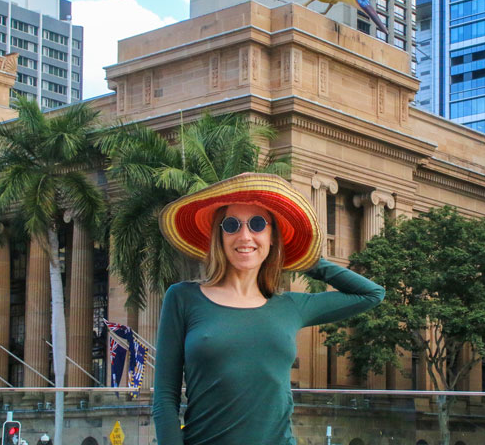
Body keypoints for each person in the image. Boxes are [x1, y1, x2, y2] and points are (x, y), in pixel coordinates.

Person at [154, 172, 385, 445]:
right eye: (231, 225)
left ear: (273, 235)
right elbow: (165, 397)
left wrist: (308, 260)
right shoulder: (183, 298)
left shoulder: (290, 306)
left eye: (257, 224)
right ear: (219, 236)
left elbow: (371, 294)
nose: (244, 235)